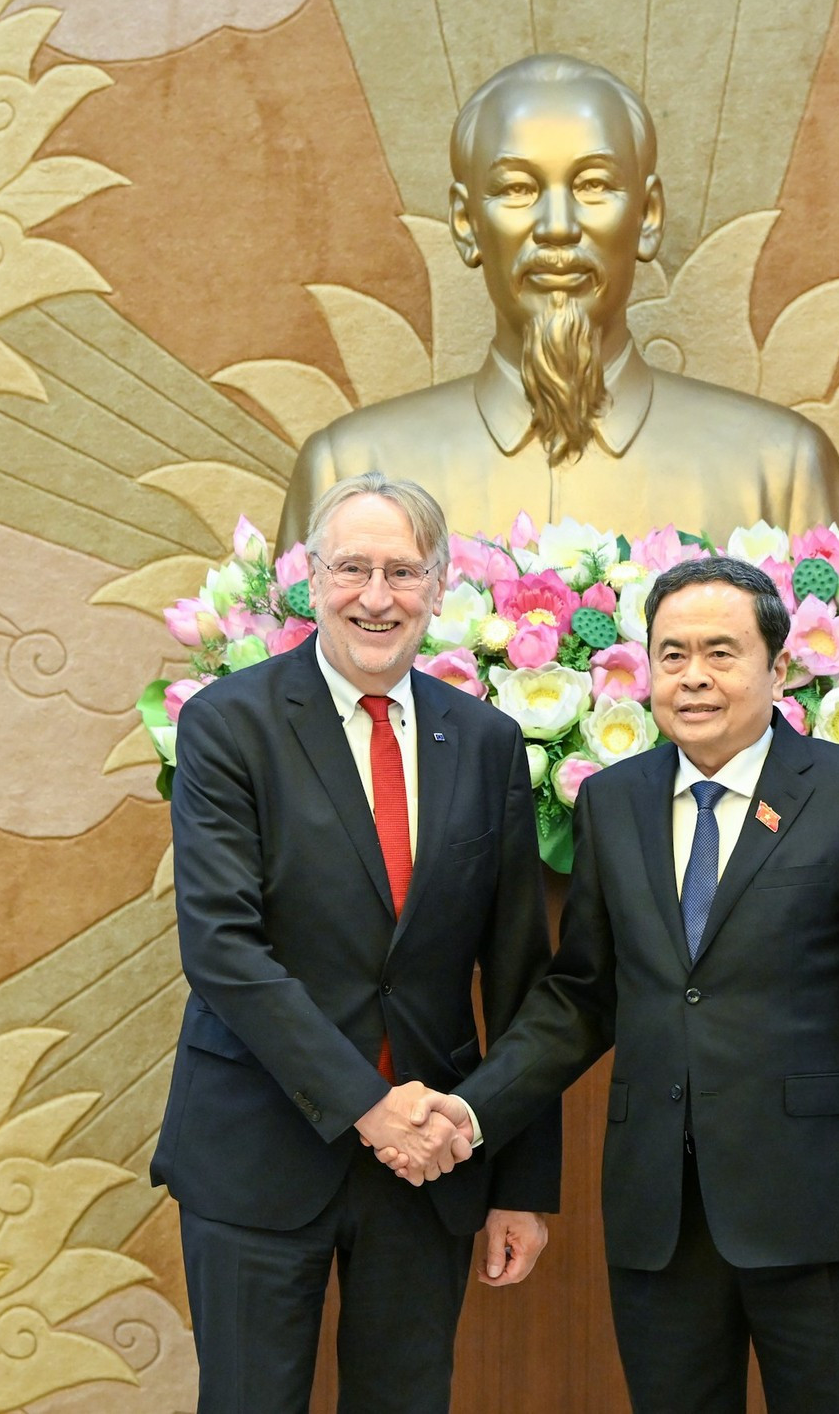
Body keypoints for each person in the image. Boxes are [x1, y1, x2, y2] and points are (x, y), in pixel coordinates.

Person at [392, 556, 839, 1413]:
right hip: (659, 1212)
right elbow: (583, 996)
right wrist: (473, 1110)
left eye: (721, 652)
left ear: (778, 669)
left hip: (815, 1213)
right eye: (672, 654)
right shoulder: (613, 802)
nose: (694, 677)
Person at [149, 472, 561, 1414]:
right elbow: (222, 949)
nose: (378, 596)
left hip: (429, 1161)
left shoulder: (488, 741)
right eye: (353, 569)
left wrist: (519, 1183)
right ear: (312, 581)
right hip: (257, 1145)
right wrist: (369, 1107)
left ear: (439, 588)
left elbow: (518, 975)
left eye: (403, 572)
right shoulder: (229, 724)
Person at [276, 54, 839, 546]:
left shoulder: (782, 472)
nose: (557, 226)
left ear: (648, 216)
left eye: (593, 185)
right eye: (517, 188)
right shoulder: (348, 470)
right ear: (465, 223)